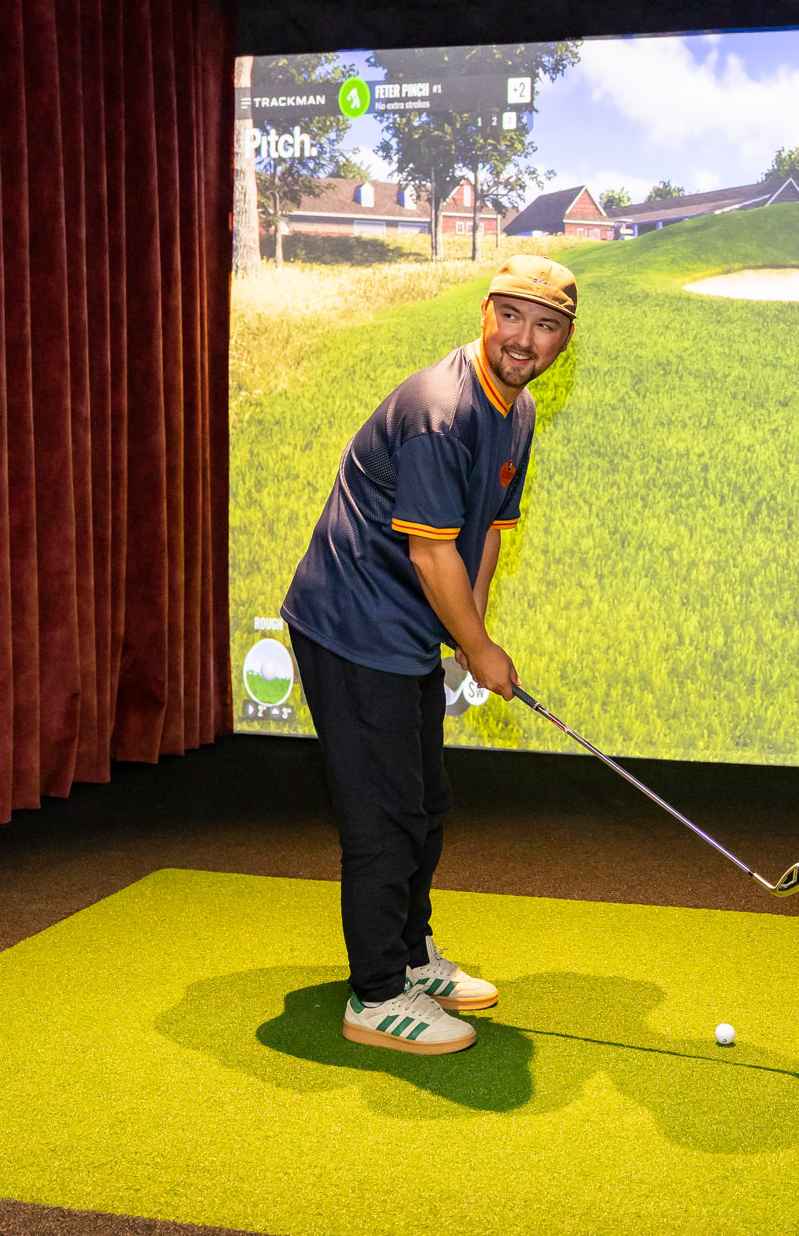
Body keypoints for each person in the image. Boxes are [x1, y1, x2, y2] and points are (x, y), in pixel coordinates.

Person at [281, 254, 577, 1055]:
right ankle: (377, 994)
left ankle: (411, 952)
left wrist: (466, 635)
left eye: (546, 325)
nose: (524, 339)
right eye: (511, 316)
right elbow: (429, 550)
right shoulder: (441, 410)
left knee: (425, 800)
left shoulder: (517, 410)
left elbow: (484, 533)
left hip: (407, 626)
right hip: (351, 621)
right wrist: (478, 646)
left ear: (563, 341)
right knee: (383, 813)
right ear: (485, 313)